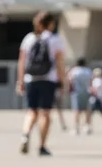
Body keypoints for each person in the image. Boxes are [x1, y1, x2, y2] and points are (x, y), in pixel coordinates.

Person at [17, 10, 68, 156]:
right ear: (51, 24)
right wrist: (62, 80)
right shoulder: (55, 39)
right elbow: (60, 62)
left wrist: (20, 80)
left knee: (31, 111)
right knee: (45, 113)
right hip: (48, 79)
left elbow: (22, 61)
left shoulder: (29, 39)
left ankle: (25, 134)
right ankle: (42, 145)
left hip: (30, 79)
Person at [68, 57, 92, 135]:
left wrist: (70, 89)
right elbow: (91, 82)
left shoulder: (74, 71)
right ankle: (87, 125)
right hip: (86, 91)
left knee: (76, 110)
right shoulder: (88, 71)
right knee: (87, 109)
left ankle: (76, 127)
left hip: (76, 92)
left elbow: (70, 80)